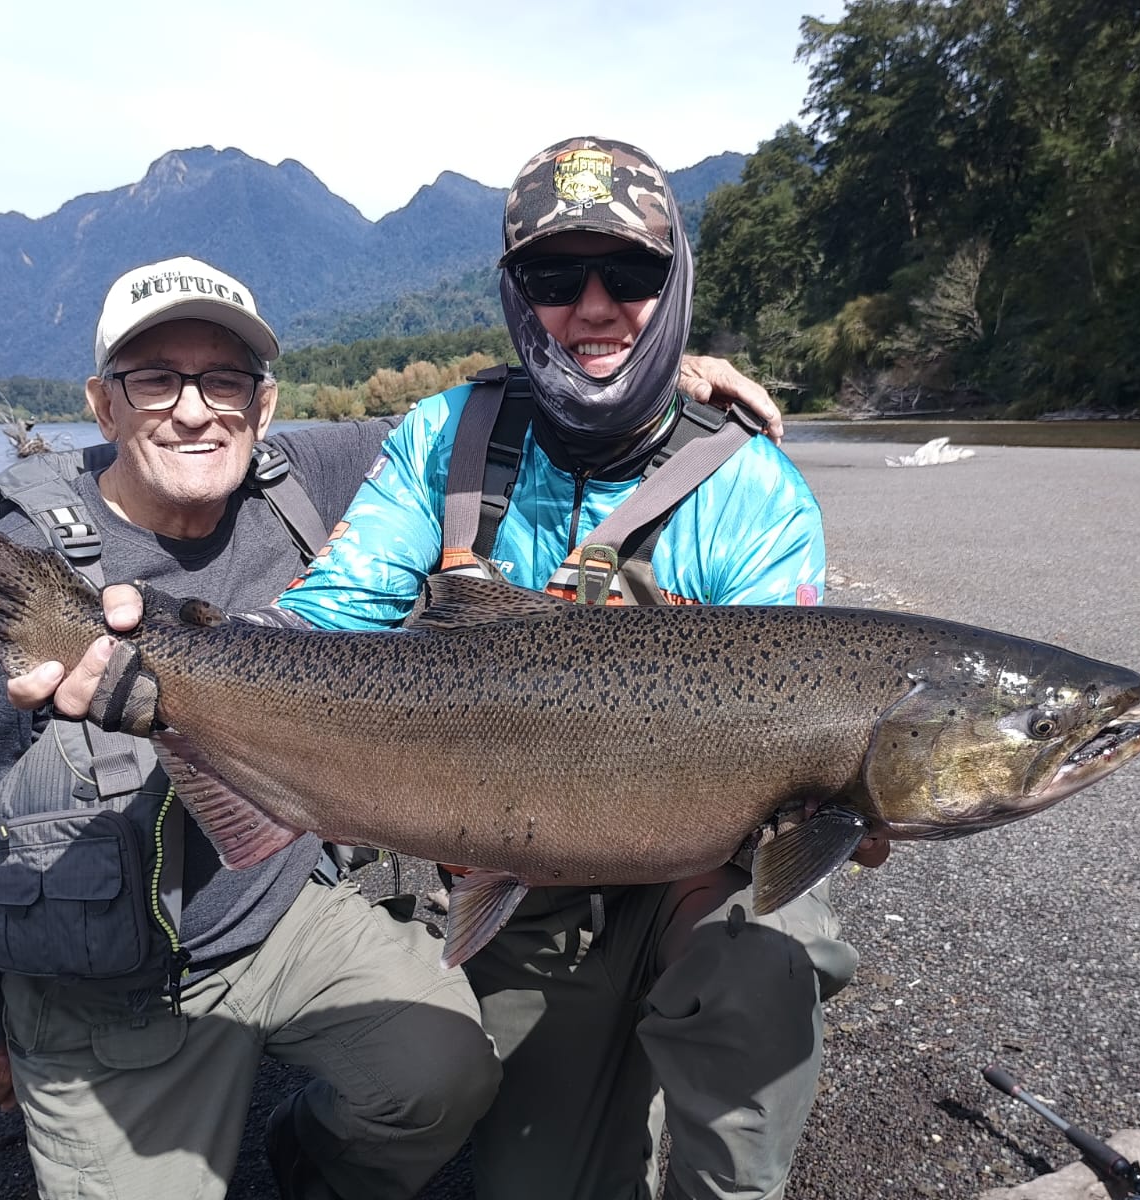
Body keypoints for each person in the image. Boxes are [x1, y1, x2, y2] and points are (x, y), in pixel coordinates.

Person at [267, 137, 890, 1199]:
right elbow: (328, 620)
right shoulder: (445, 439)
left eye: (631, 275)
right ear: (517, 293)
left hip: (699, 875)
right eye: (557, 278)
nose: (593, 306)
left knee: (770, 959)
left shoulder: (751, 488)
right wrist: (188, 664)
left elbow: (797, 717)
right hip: (523, 878)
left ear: (674, 282)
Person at [0, 255, 503, 1200]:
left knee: (446, 1072)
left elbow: (470, 423)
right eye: (155, 379)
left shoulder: (305, 478)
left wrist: (664, 371)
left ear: (262, 403)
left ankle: (309, 1163)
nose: (193, 409)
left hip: (284, 916)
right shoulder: (29, 554)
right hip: (103, 990)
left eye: (224, 380)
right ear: (103, 404)